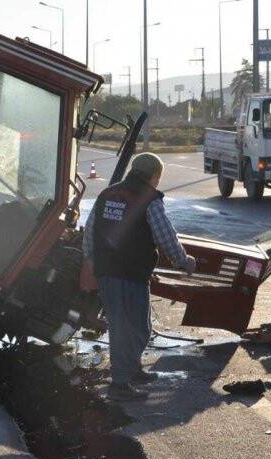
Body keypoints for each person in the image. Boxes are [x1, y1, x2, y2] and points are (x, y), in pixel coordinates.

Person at [81, 152, 196, 401]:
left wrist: (91, 259)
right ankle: (120, 383)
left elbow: (90, 229)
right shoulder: (148, 198)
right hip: (129, 272)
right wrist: (183, 261)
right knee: (130, 328)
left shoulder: (108, 194)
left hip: (108, 271)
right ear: (154, 176)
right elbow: (165, 236)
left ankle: (131, 371)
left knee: (134, 325)